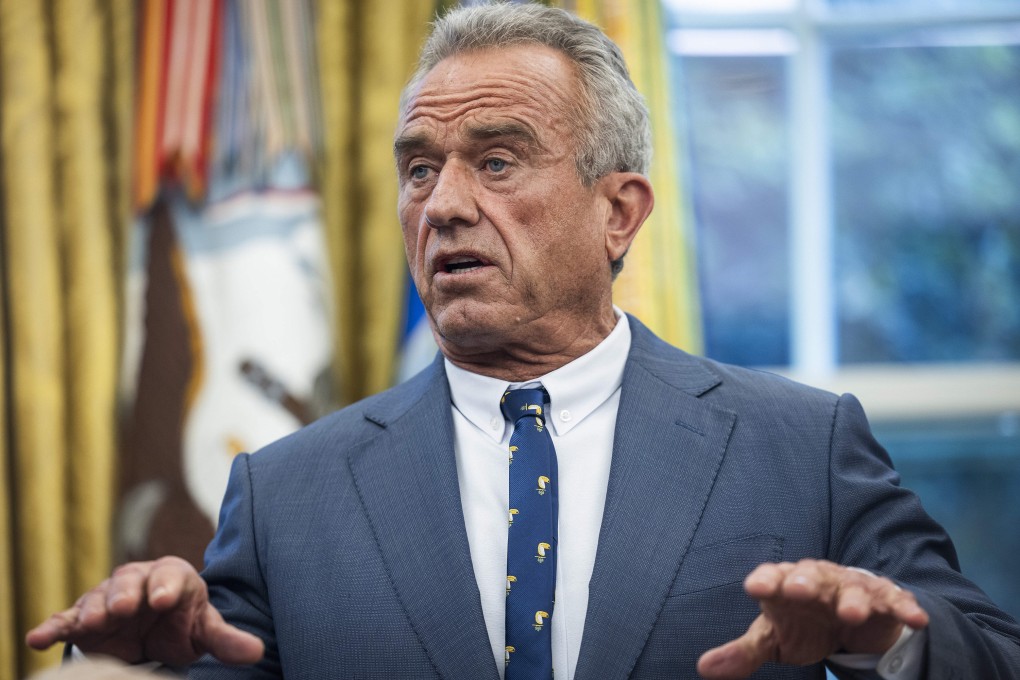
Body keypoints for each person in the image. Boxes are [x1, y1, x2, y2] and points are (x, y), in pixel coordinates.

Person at [27, 3, 1020, 679]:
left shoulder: (801, 447)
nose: (445, 203)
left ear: (619, 211)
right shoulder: (287, 491)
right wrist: (149, 658)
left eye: (496, 160)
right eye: (420, 169)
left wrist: (889, 639)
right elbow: (221, 658)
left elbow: (989, 649)